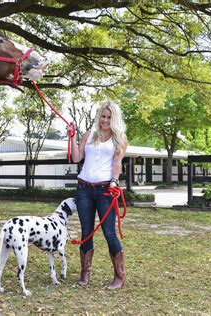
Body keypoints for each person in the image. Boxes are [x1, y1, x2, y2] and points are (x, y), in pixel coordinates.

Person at [68, 100, 128, 289]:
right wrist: (71, 137)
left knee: (109, 233)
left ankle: (119, 275)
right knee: (86, 232)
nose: (105, 120)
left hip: (105, 190)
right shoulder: (89, 135)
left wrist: (114, 181)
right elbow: (76, 157)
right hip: (84, 188)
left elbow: (117, 163)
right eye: (103, 116)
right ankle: (85, 273)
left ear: (114, 119)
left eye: (109, 117)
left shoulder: (119, 139)